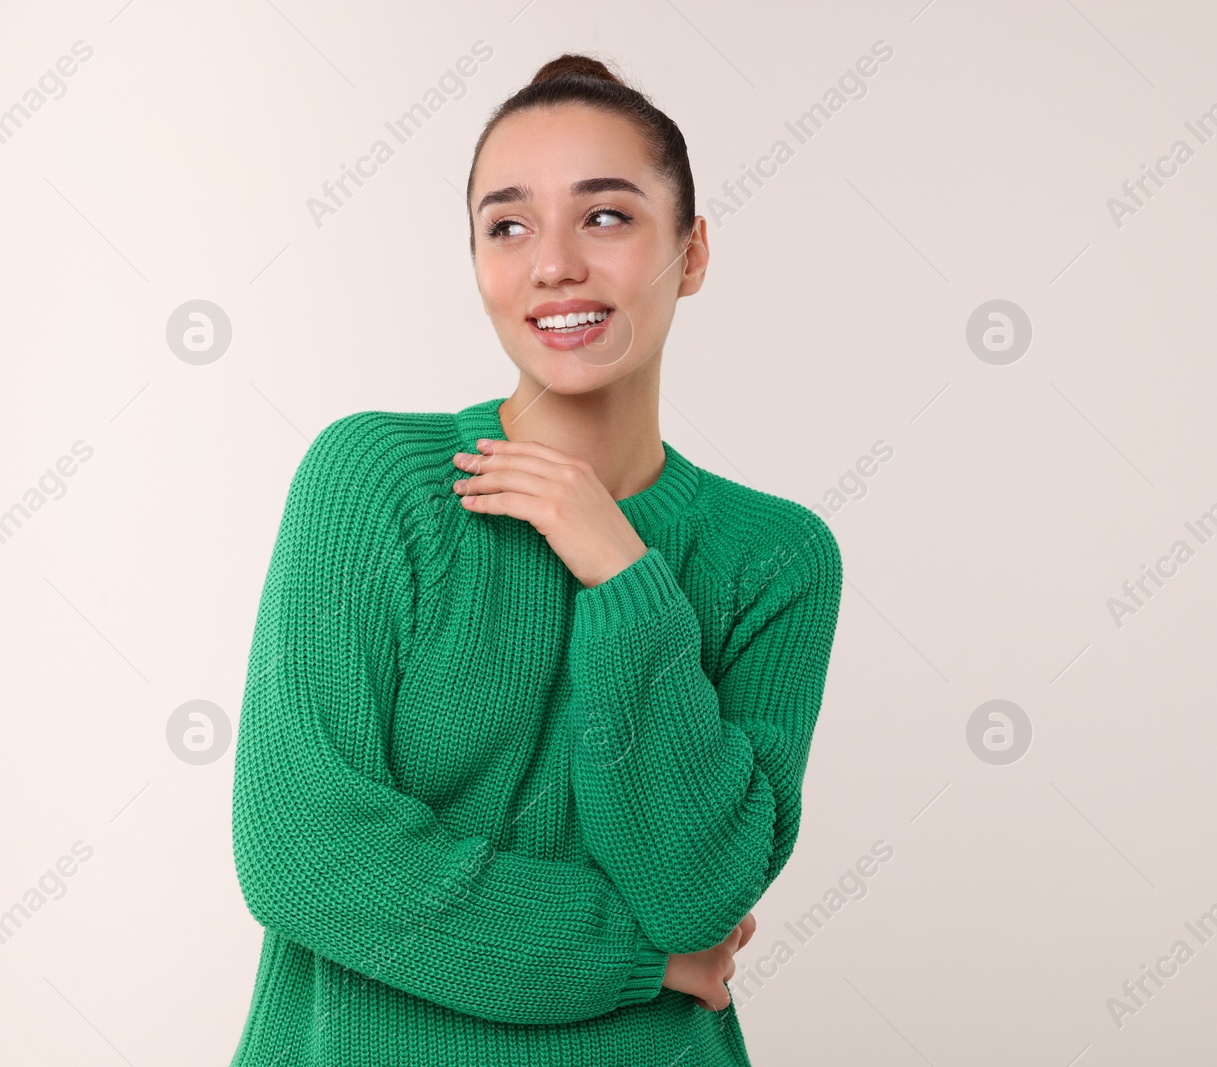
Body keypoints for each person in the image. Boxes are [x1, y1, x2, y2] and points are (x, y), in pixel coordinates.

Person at [228, 52, 843, 1066]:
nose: (553, 262)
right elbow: (304, 855)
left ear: (690, 254)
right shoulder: (375, 480)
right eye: (507, 225)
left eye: (606, 216)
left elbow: (696, 888)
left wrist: (628, 579)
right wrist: (637, 956)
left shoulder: (775, 558)